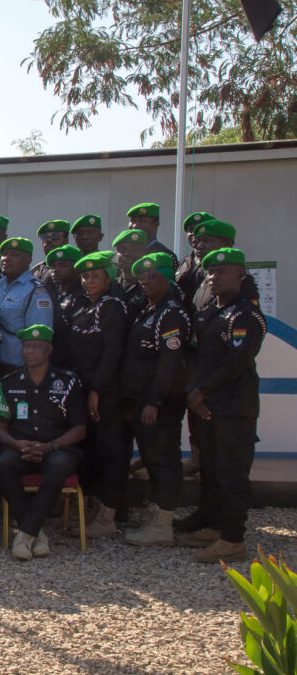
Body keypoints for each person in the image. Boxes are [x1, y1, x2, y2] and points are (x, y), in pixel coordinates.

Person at [178, 247, 267, 563]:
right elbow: (193, 356)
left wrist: (202, 391)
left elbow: (238, 361)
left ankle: (233, 540)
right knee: (212, 472)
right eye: (210, 272)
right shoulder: (209, 311)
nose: (214, 277)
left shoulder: (245, 315)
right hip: (206, 407)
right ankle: (214, 525)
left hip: (232, 410)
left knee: (231, 474)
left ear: (241, 275)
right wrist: (195, 393)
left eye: (223, 271)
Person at [0, 325, 87, 560]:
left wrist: (50, 447)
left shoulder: (68, 383)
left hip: (56, 448)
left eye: (37, 347)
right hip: (19, 447)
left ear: (49, 350)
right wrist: (16, 445)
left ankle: (24, 534)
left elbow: (80, 428)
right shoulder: (7, 382)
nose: (30, 351)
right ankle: (37, 533)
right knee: (4, 465)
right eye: (26, 346)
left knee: (59, 467)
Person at [120, 252, 191, 548]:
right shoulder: (147, 310)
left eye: (153, 276)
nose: (146, 281)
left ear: (168, 279)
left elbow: (169, 363)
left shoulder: (171, 313)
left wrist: (155, 401)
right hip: (140, 402)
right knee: (152, 458)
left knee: (163, 461)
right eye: (143, 277)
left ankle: (163, 524)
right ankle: (157, 516)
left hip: (159, 405)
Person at [62, 251, 129, 538]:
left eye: (95, 276)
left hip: (105, 393)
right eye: (85, 276)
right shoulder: (84, 306)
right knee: (92, 452)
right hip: (82, 388)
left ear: (109, 278)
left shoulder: (112, 307)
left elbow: (112, 353)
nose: (89, 281)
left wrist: (97, 391)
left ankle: (107, 517)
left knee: (111, 451)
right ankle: (90, 510)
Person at [0, 237, 54, 376]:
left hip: (19, 370)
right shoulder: (0, 286)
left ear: (28, 260)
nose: (6, 258)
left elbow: (39, 338)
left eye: (14, 255)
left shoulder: (36, 292)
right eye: (5, 254)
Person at [175, 211, 215, 302]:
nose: (194, 233)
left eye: (199, 228)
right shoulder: (182, 263)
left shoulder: (220, 264)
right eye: (190, 230)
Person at [112, 229, 150, 322]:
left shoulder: (151, 287)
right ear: (116, 253)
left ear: (145, 252)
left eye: (135, 249)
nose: (128, 254)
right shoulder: (110, 286)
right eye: (122, 250)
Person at [30, 220, 71, 288]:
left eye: (55, 237)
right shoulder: (37, 270)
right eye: (44, 237)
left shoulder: (73, 268)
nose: (49, 241)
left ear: (65, 241)